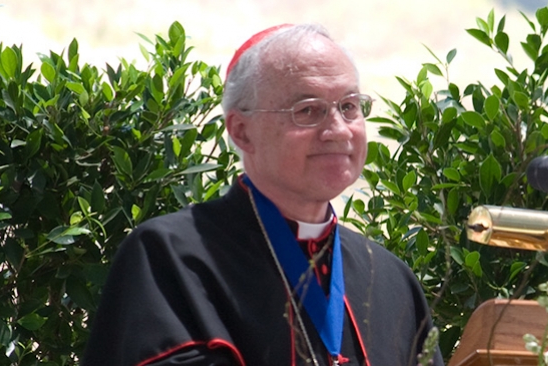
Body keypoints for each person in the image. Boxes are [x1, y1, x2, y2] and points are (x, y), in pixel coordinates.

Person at [83, 24, 444, 366]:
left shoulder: (389, 277)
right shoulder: (171, 257)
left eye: (349, 107)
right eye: (308, 111)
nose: (337, 130)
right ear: (242, 132)